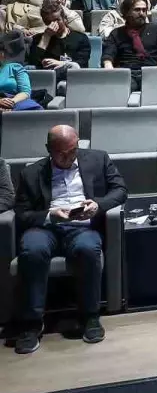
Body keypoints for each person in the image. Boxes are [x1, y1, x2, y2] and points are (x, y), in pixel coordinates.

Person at [11, 125, 127, 354]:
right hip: (47, 228)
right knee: (32, 251)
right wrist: (49, 215)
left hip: (82, 227)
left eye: (73, 151)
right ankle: (32, 323)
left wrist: (98, 205)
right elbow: (22, 213)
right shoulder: (32, 173)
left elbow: (120, 190)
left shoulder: (98, 159)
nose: (69, 157)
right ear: (49, 149)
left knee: (88, 249)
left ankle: (90, 316)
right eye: (62, 153)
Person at [101, 0, 157, 87]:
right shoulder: (116, 33)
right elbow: (108, 55)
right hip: (127, 75)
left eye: (144, 10)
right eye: (137, 10)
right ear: (126, 12)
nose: (141, 13)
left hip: (153, 73)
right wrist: (108, 65)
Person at [27, 6, 91, 80]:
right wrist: (46, 37)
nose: (53, 24)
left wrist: (61, 63)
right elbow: (33, 62)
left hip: (72, 77)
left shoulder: (80, 38)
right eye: (49, 21)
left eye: (57, 20)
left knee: (73, 67)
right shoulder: (39, 38)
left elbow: (82, 63)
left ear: (65, 20)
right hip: (47, 76)